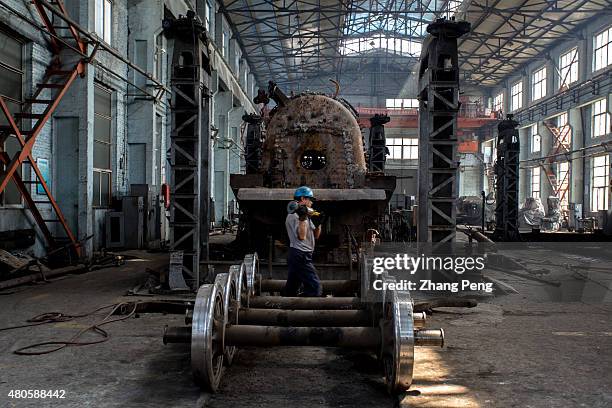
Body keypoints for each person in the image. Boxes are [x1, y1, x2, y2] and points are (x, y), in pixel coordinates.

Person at [282, 186, 322, 297]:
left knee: (291, 289)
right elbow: (301, 236)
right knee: (315, 288)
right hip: (299, 255)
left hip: (304, 254)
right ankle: (307, 311)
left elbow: (316, 236)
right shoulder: (294, 215)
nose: (312, 203)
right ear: (303, 198)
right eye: (311, 199)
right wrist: (303, 218)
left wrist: (319, 224)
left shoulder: (305, 214)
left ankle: (284, 308)